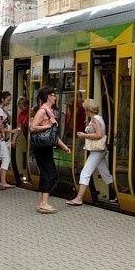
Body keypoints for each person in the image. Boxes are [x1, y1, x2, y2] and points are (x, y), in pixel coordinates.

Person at [68, 99, 117, 205]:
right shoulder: (98, 118)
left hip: (97, 151)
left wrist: (84, 135)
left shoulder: (95, 120)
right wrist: (88, 126)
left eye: (85, 110)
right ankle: (120, 193)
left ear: (88, 110)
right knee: (105, 174)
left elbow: (99, 135)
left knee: (85, 172)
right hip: (100, 150)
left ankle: (79, 198)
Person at [31, 85, 71, 213]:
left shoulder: (49, 111)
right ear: (48, 97)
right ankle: (45, 203)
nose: (55, 97)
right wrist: (48, 125)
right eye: (53, 95)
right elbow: (32, 127)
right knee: (51, 174)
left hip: (46, 146)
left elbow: (52, 134)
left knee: (45, 175)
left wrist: (63, 146)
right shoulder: (42, 111)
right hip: (41, 147)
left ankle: (41, 203)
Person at [0, 91, 20, 189]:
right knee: (6, 158)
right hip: (0, 138)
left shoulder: (1, 110)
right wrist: (12, 131)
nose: (9, 102)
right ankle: (3, 181)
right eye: (8, 100)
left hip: (1, 138)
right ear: (2, 99)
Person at [14, 96, 32, 184]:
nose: (21, 109)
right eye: (20, 107)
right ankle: (27, 175)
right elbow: (19, 128)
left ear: (27, 105)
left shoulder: (31, 113)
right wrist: (14, 139)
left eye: (22, 107)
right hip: (27, 138)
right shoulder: (21, 115)